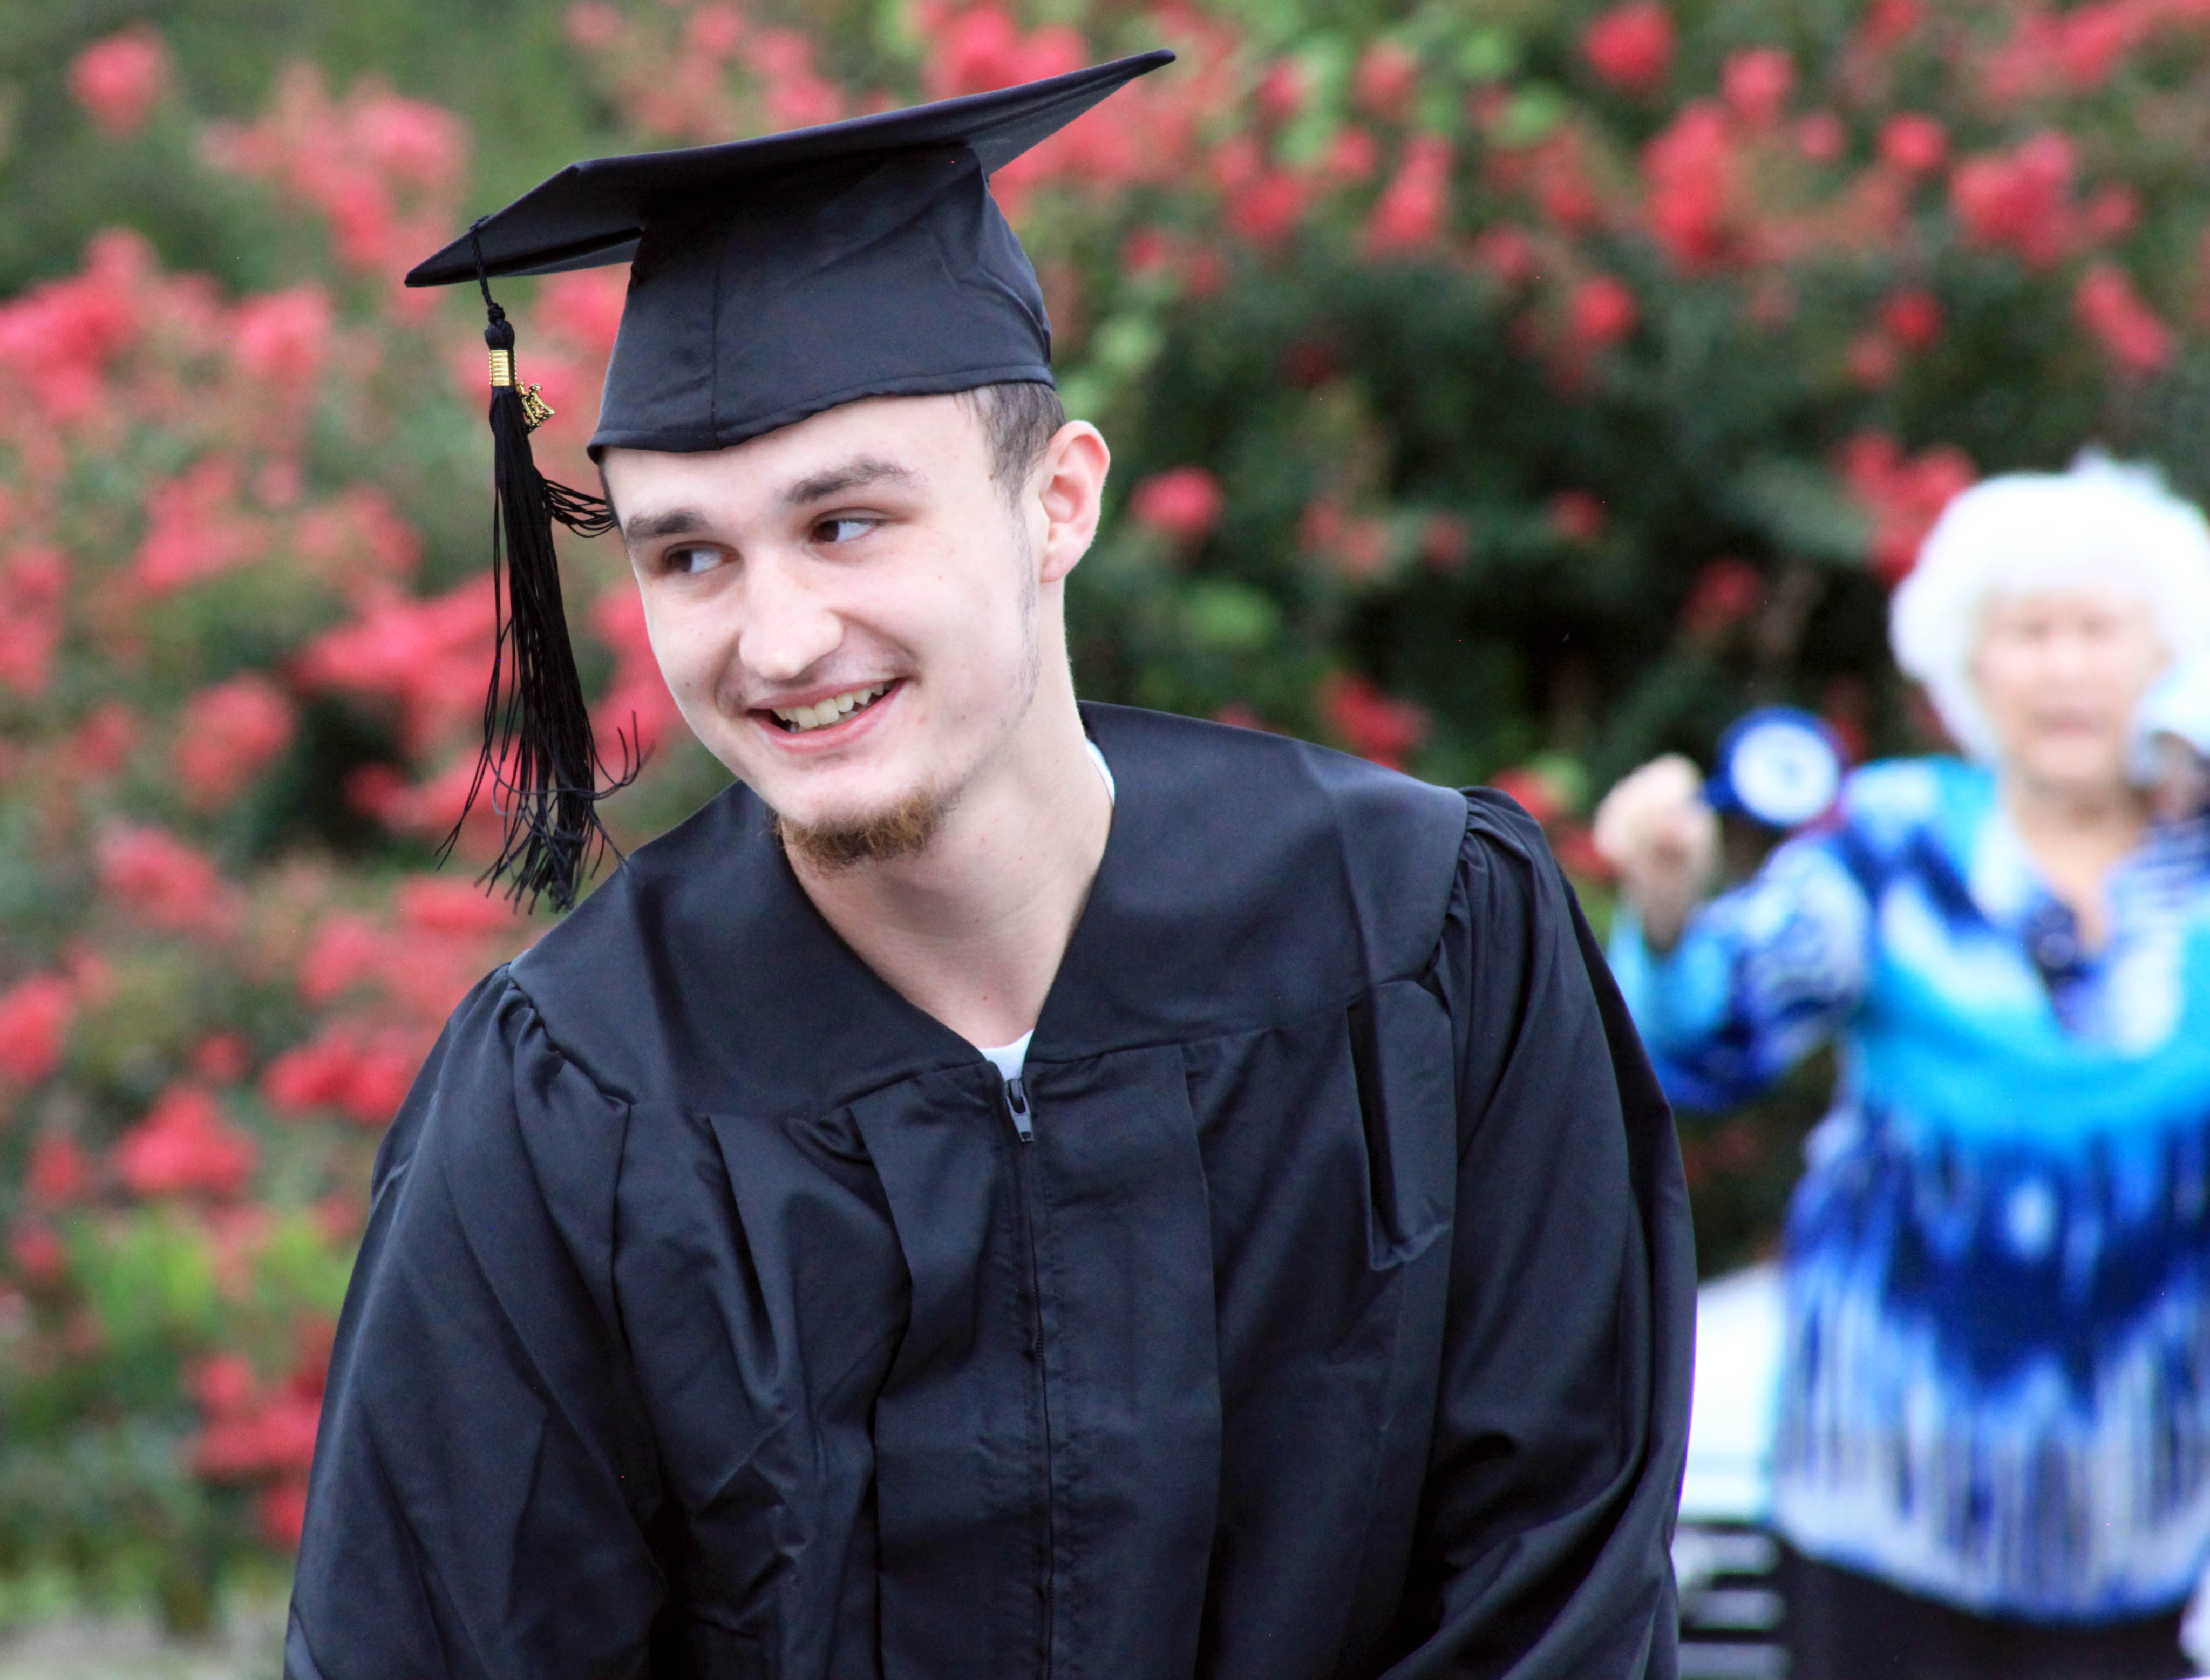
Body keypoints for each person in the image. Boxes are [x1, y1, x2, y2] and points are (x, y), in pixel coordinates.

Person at [281, 54, 1694, 1680]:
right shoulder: (572, 1101)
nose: (780, 636)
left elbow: (1562, 1594)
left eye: (849, 523)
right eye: (690, 553)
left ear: (1059, 503)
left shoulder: (1424, 942)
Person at [1594, 453, 2210, 1680]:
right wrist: (1665, 916)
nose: (2063, 666)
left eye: (2097, 629)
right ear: (1964, 668)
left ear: (2165, 656)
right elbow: (1707, 1040)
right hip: (1881, 1489)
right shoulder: (1888, 839)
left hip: (2140, 1510)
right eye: (2023, 632)